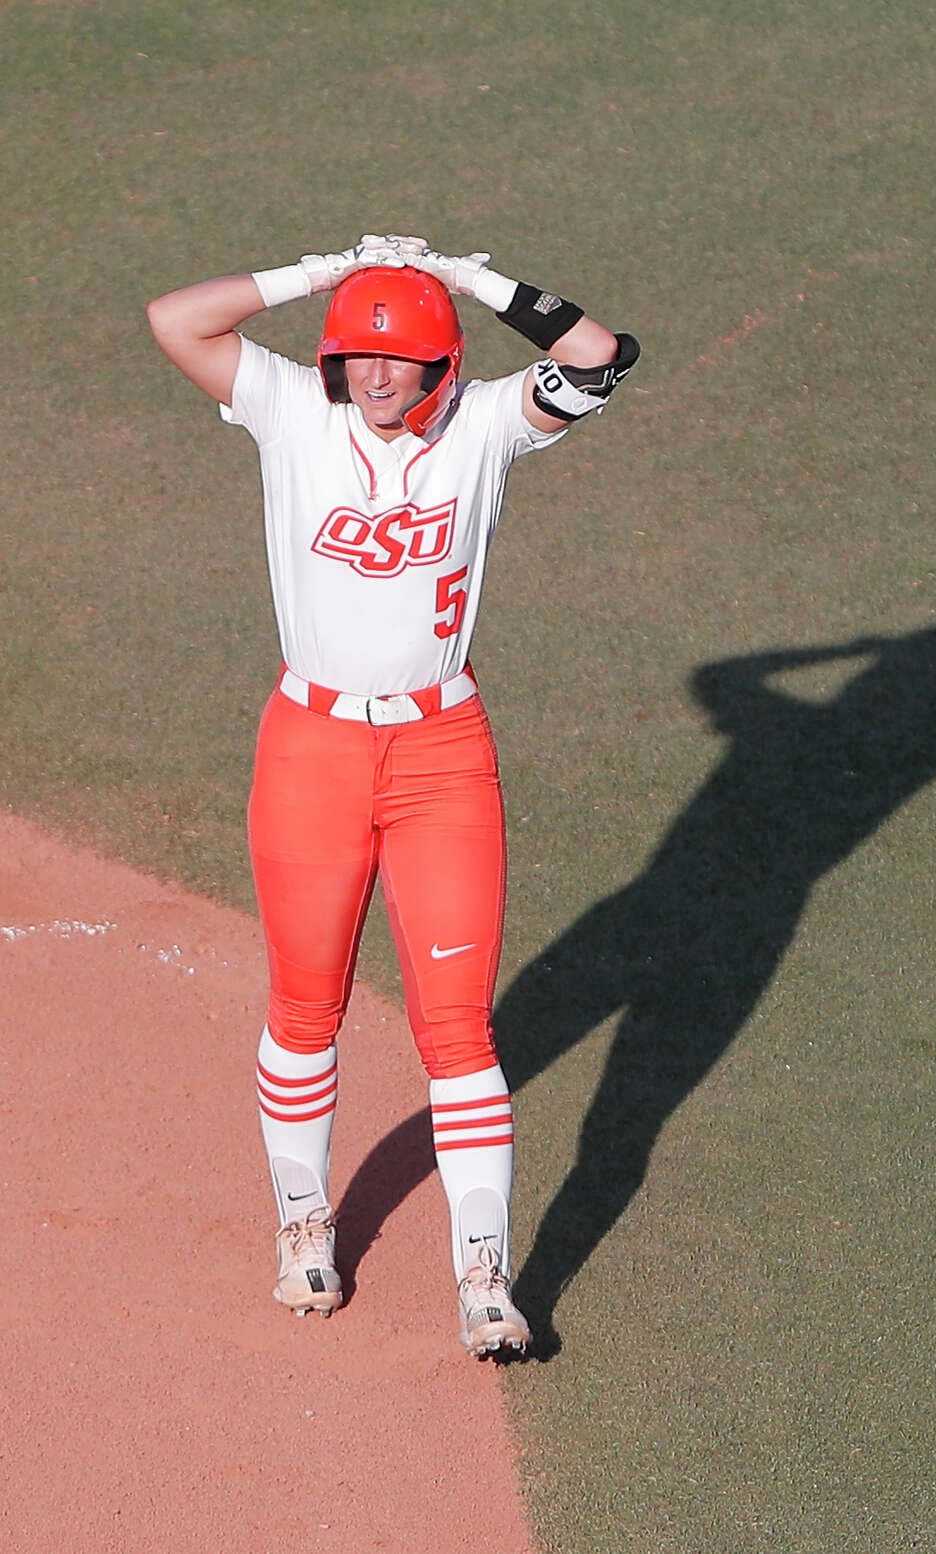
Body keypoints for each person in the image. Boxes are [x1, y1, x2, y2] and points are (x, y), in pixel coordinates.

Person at [146, 233, 639, 1355]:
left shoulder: (488, 427)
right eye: (357, 357)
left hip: (440, 756)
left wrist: (474, 279)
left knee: (458, 1027)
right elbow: (176, 319)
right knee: (305, 1004)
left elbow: (601, 356)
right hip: (311, 747)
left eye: (400, 359)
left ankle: (483, 1278)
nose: (374, 378)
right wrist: (318, 272)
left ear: (442, 366)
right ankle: (303, 1225)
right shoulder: (288, 410)